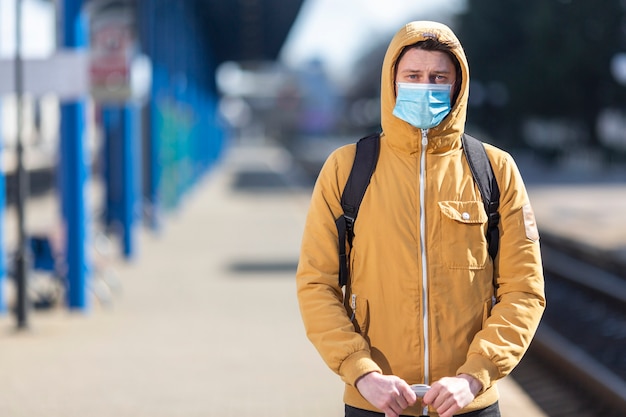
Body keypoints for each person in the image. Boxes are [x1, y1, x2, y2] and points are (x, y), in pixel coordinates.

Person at [295, 21, 545, 417]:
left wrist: (474, 376)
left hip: (468, 404)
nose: (425, 86)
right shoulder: (347, 170)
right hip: (375, 403)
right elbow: (316, 284)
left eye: (438, 77)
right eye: (413, 76)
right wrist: (361, 373)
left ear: (457, 87)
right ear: (391, 82)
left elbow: (524, 290)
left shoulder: (495, 170)